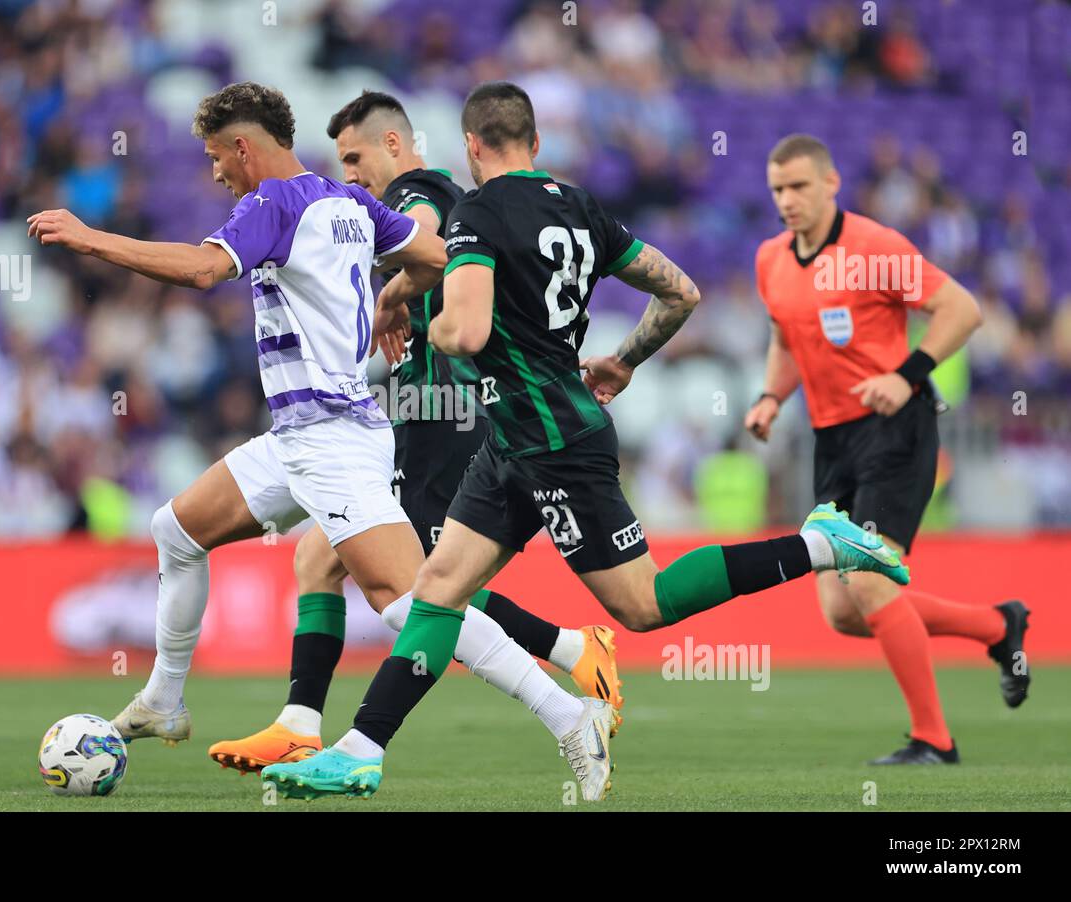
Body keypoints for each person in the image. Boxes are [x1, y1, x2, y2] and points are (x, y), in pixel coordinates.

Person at [263, 83, 910, 802]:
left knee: (642, 605)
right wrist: (625, 359)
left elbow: (467, 332)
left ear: (473, 146)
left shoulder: (475, 214)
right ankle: (362, 750)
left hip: (555, 445)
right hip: (514, 439)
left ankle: (821, 543)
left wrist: (426, 319)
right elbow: (681, 291)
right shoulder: (580, 208)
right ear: (534, 144)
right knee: (437, 590)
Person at [207, 90, 625, 776]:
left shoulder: (417, 188)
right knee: (323, 560)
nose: (349, 176)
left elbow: (423, 231)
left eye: (355, 158)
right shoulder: (384, 202)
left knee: (423, 584)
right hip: (419, 411)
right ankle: (300, 724)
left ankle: (561, 669)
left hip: (442, 416)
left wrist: (390, 288)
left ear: (395, 145)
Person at [744, 133, 1030, 765]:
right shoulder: (770, 259)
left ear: (830, 183)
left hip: (893, 429)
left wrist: (906, 375)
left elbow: (962, 308)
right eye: (777, 190)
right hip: (831, 440)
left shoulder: (875, 248)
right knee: (842, 612)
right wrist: (770, 396)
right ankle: (997, 626)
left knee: (869, 584)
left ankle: (934, 739)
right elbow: (787, 340)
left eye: (797, 187)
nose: (786, 201)